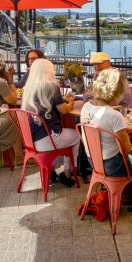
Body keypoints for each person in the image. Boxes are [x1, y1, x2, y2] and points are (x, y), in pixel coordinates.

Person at [22, 58, 80, 187]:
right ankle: (67, 173)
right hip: (47, 138)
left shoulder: (29, 88)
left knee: (63, 136)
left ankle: (52, 172)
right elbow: (63, 110)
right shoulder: (51, 86)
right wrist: (70, 104)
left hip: (32, 140)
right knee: (76, 136)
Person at [80, 68, 132, 176]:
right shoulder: (114, 115)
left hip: (93, 161)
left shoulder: (86, 107)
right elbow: (125, 151)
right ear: (117, 90)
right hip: (112, 166)